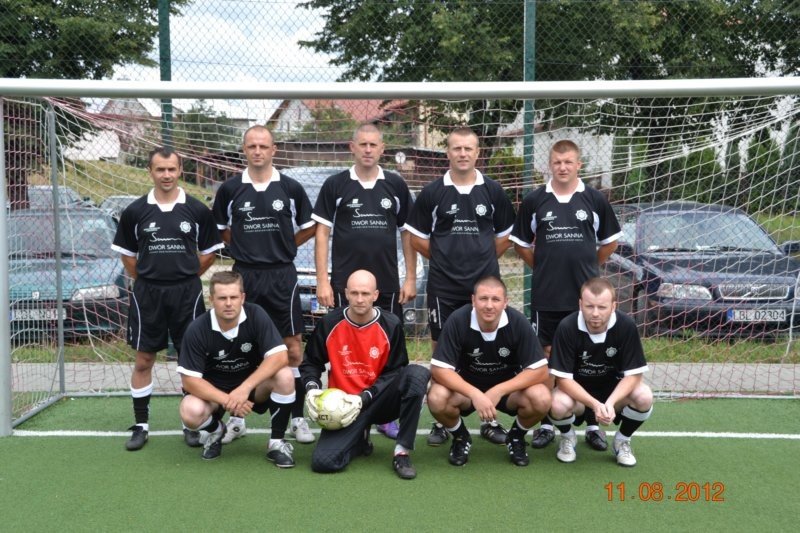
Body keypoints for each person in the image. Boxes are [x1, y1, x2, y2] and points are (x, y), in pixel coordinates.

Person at [405, 126, 516, 447]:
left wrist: (481, 260)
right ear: (448, 153)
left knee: (488, 351)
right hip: (444, 287)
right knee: (442, 352)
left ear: (477, 153)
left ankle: (489, 418)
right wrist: (445, 259)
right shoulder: (432, 193)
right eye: (457, 148)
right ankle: (443, 420)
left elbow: (504, 237)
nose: (463, 154)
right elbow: (416, 238)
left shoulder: (493, 191)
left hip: (485, 290)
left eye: (468, 148)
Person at [510, 139, 622, 450]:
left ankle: (592, 423)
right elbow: (520, 244)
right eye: (557, 162)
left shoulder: (594, 199)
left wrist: (590, 267)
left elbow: (610, 242)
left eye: (568, 162)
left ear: (578, 164)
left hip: (586, 300)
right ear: (550, 164)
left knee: (588, 357)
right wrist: (543, 266)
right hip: (546, 296)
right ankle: (547, 422)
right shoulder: (535, 200)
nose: (562, 167)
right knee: (546, 360)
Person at [112, 147, 224, 451]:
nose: (166, 175)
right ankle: (141, 425)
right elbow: (129, 258)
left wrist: (184, 276)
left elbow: (209, 253)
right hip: (148, 294)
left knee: (190, 361)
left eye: (171, 169)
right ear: (150, 171)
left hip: (187, 294)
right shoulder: (135, 211)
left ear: (180, 171)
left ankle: (190, 424)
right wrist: (151, 278)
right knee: (144, 359)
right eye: (160, 169)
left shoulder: (197, 210)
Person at [212, 125, 317, 445]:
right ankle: (237, 418)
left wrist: (285, 245)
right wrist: (243, 248)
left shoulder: (290, 188)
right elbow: (222, 229)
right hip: (245, 275)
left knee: (292, 347)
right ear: (244, 150)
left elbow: (309, 227)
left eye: (263, 146)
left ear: (274, 150)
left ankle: (297, 418)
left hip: (282, 275)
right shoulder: (230, 189)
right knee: (241, 346)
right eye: (252, 146)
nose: (257, 151)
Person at [312, 123, 417, 440]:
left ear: (382, 149)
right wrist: (322, 281)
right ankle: (343, 407)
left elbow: (408, 234)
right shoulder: (335, 185)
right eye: (363, 144)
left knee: (389, 354)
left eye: (374, 144)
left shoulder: (395, 185)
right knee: (344, 351)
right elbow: (322, 233)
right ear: (352, 147)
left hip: (386, 285)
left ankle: (386, 415)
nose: (368, 149)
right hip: (346, 286)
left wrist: (410, 277)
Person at [300, 270, 430, 480]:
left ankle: (402, 452)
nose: (360, 299)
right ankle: (360, 440)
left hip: (379, 399)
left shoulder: (391, 324)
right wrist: (312, 389)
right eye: (354, 293)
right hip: (345, 408)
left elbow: (396, 371)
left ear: (375, 295)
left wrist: (367, 396)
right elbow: (311, 363)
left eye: (365, 293)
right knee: (323, 463)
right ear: (346, 294)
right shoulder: (330, 323)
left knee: (417, 374)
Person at [426, 276, 551, 467]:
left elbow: (540, 371)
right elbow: (439, 369)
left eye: (496, 299)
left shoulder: (517, 322)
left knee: (541, 397)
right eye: (483, 298)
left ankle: (516, 437)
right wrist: (475, 393)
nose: (489, 305)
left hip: (507, 393)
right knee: (436, 396)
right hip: (466, 392)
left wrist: (499, 390)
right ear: (473, 300)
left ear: (505, 302)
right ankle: (461, 437)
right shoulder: (458, 319)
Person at [177, 271, 297, 464]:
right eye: (222, 298)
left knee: (285, 375)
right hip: (214, 393)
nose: (228, 303)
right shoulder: (197, 329)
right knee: (190, 411)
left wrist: (244, 389)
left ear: (242, 298)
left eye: (233, 297)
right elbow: (189, 381)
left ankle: (276, 443)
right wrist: (229, 400)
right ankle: (217, 431)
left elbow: (280, 356)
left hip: (251, 388)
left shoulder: (256, 314)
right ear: (211, 300)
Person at [547, 277, 653, 467]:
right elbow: (562, 379)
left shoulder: (626, 325)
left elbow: (635, 374)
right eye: (589, 306)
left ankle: (622, 441)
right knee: (556, 403)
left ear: (613, 306)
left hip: (614, 394)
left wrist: (610, 403)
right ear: (580, 304)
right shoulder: (567, 326)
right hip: (578, 396)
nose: (595, 313)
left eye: (602, 307)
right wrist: (595, 405)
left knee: (644, 396)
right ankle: (568, 437)